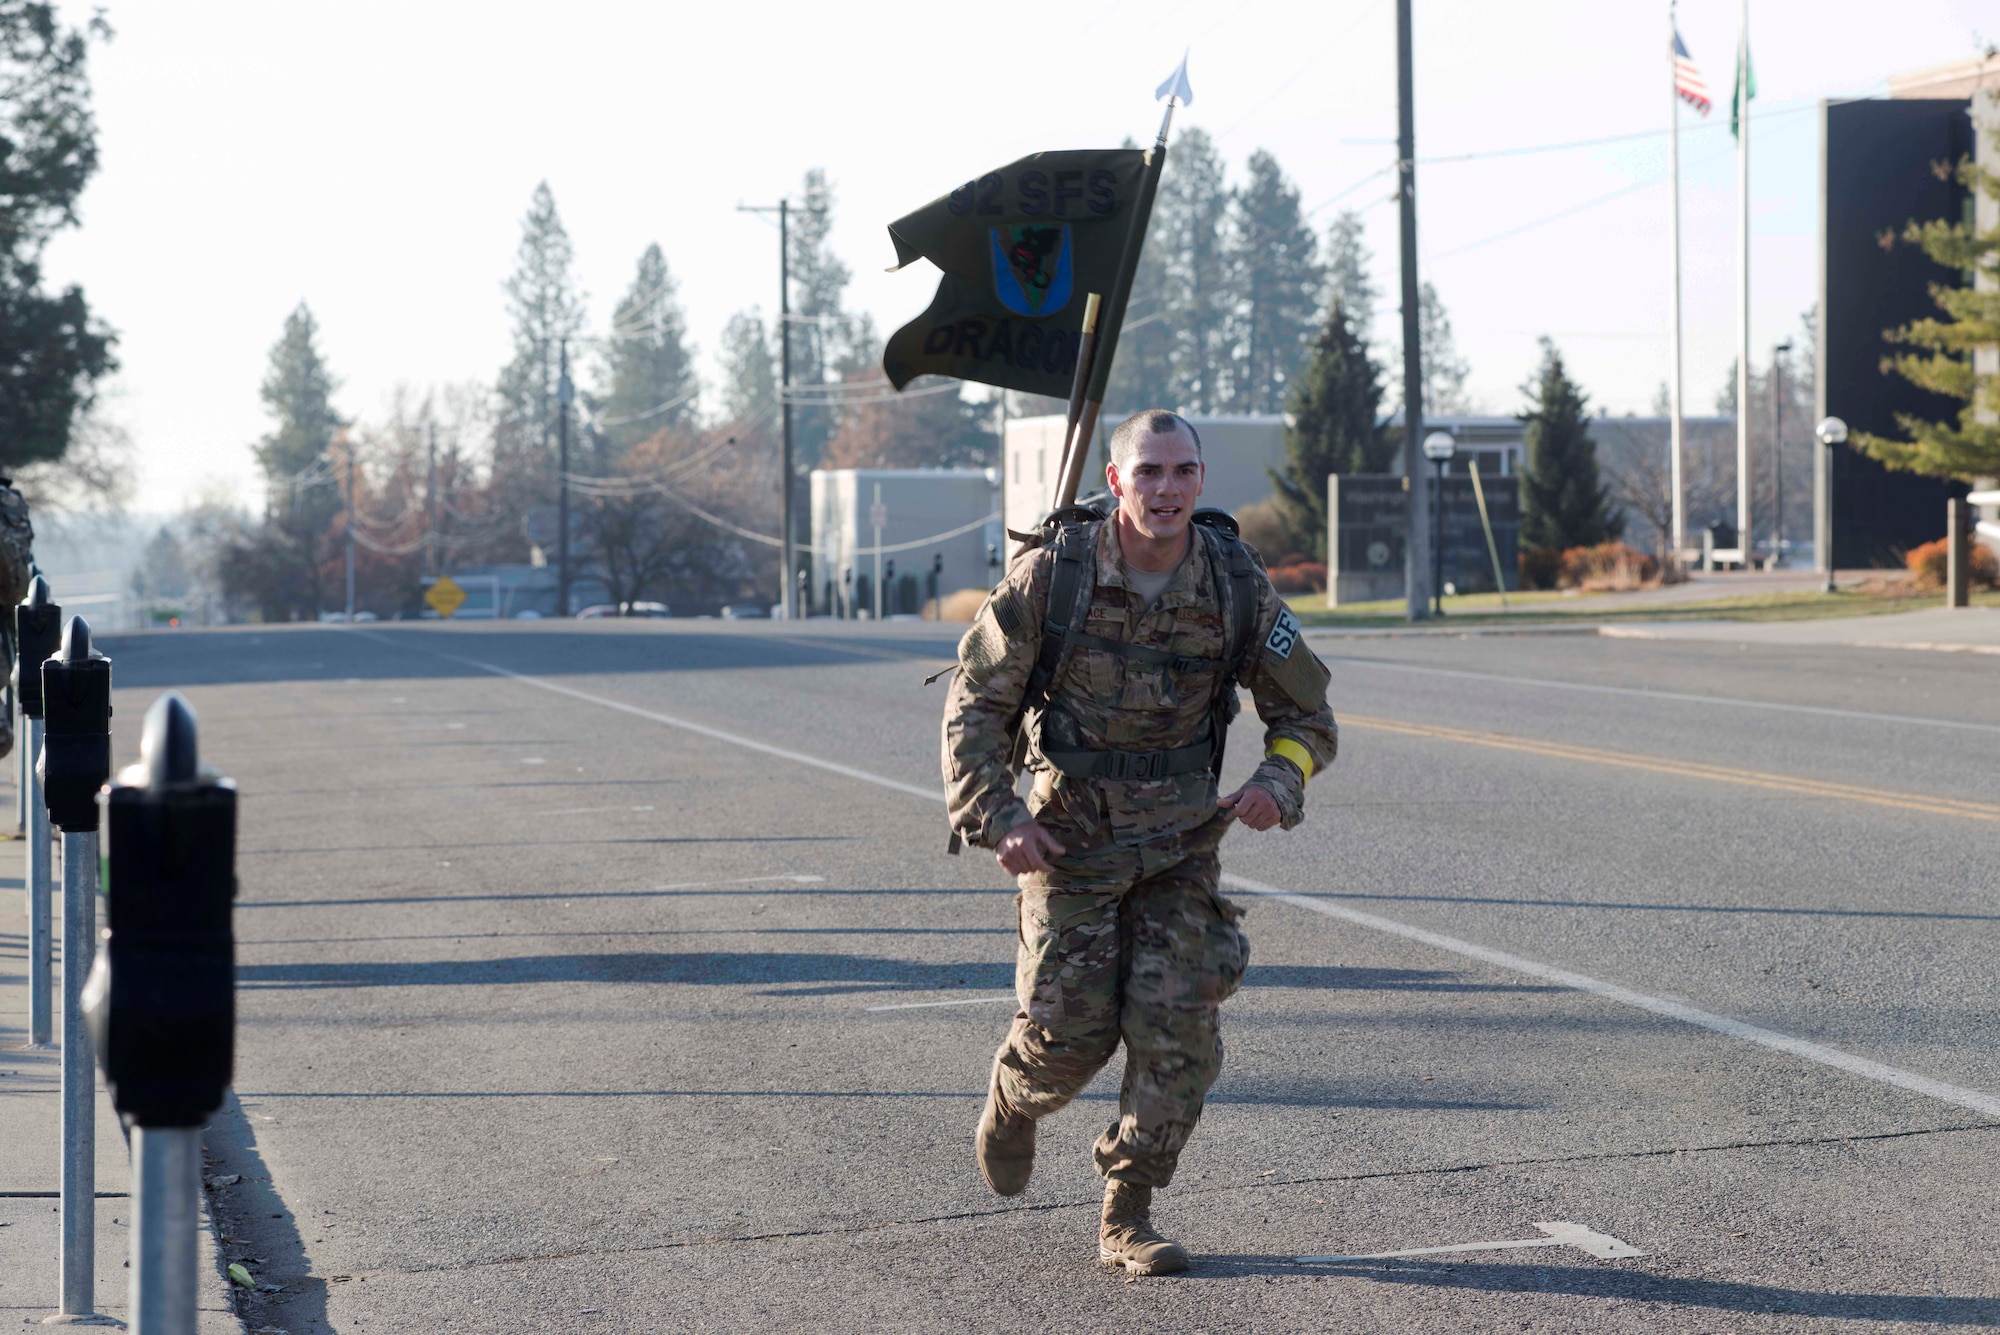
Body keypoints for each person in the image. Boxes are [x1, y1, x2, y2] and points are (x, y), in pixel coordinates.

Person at [940, 409, 1338, 1275]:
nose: (1167, 489)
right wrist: (999, 816)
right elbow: (975, 704)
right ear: (1117, 481)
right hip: (1068, 839)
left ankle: (1127, 1211)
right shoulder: (1056, 578)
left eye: (1182, 472)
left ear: (1200, 480)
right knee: (1068, 1039)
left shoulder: (1234, 583)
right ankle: (1013, 1098)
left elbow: (1306, 712)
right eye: (1148, 472)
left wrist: (1280, 779)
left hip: (1180, 843)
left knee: (1180, 1032)